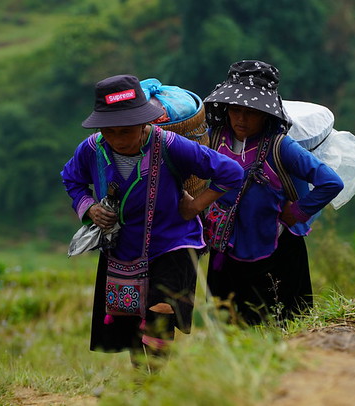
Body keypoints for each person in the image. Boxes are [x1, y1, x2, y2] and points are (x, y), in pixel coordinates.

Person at [61, 74, 243, 368]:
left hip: (172, 241)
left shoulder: (170, 146)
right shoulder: (92, 150)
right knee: (131, 314)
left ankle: (156, 375)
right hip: (122, 247)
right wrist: (89, 208)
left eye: (127, 130)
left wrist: (194, 206)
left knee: (160, 307)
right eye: (110, 131)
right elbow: (71, 179)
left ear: (144, 124)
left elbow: (231, 172)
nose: (119, 139)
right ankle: (140, 378)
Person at [203, 60, 344, 325]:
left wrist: (298, 212)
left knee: (284, 324)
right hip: (226, 250)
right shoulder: (214, 138)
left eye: (251, 111)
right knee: (231, 327)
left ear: (267, 113)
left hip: (277, 253)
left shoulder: (281, 146)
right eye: (235, 109)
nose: (241, 119)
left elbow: (331, 182)